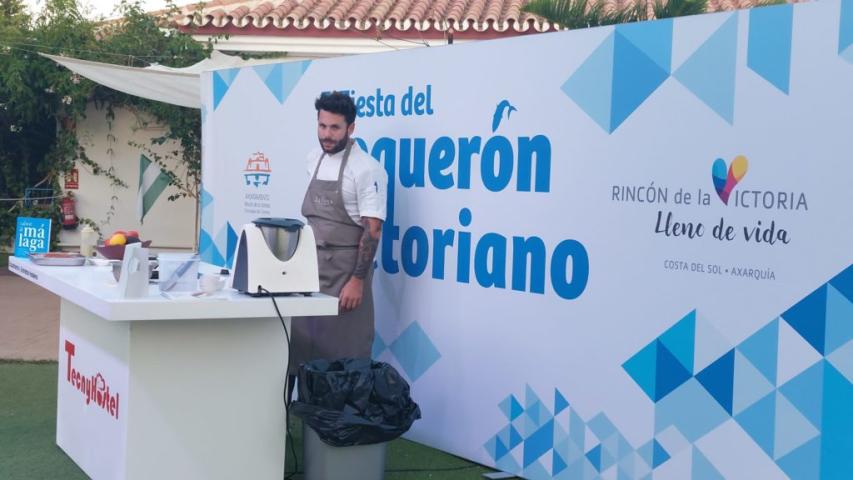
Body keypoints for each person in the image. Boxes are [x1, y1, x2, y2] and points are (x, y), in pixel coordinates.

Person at [290, 91, 388, 379]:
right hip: (310, 270)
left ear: (351, 128)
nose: (327, 134)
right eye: (322, 126)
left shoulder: (366, 169)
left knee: (344, 358)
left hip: (346, 275)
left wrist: (357, 281)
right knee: (302, 350)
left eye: (335, 128)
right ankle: (301, 408)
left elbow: (373, 230)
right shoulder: (313, 159)